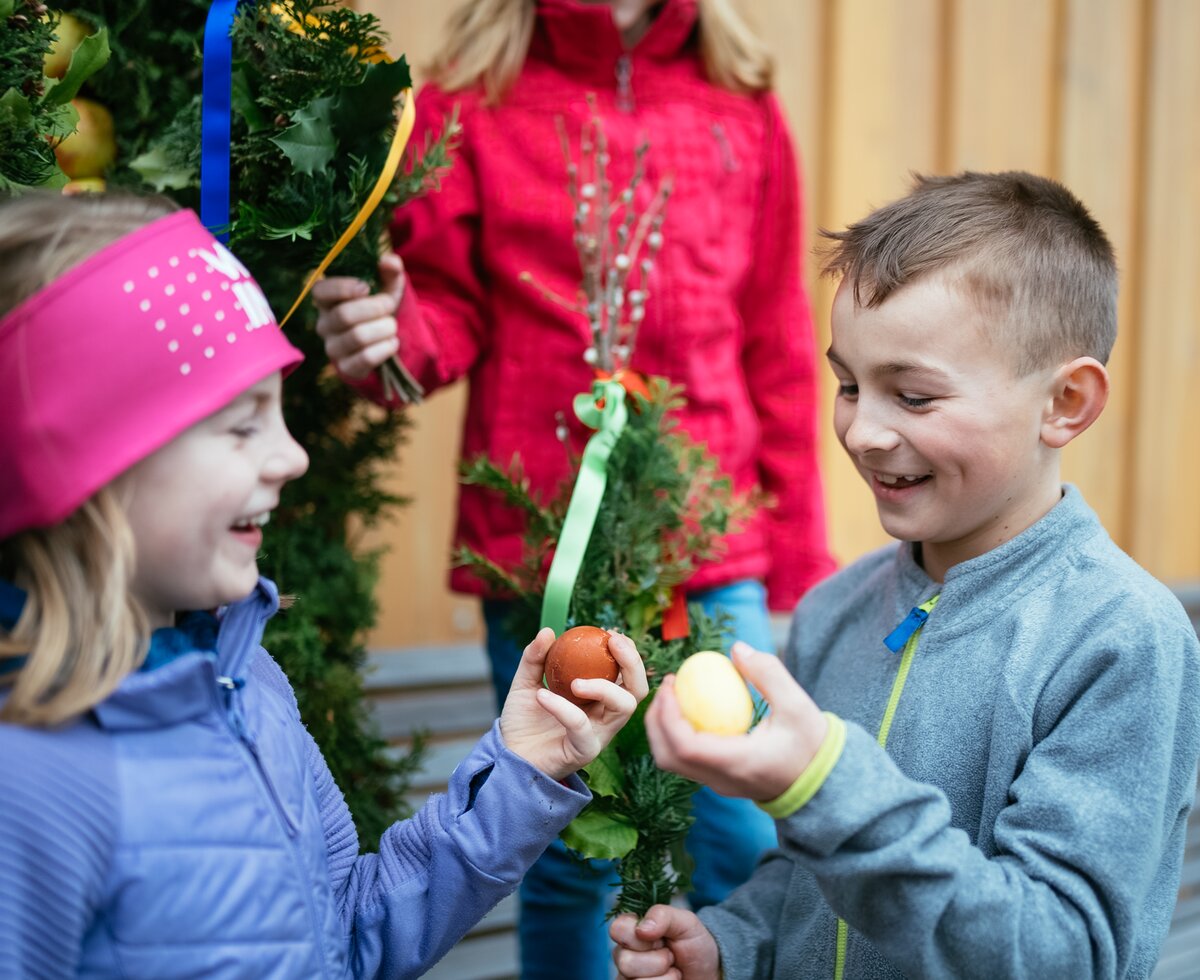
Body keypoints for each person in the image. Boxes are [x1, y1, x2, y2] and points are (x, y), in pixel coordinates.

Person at [0, 192, 648, 980]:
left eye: (278, 416)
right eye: (241, 425)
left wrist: (521, 768)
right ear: (85, 467)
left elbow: (345, 936)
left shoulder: (246, 683)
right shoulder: (27, 788)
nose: (291, 456)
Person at [312, 0, 835, 973]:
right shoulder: (474, 100)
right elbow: (442, 309)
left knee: (746, 836)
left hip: (712, 545)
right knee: (563, 850)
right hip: (539, 544)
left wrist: (797, 548)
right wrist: (388, 339)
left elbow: (772, 335)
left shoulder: (740, 101)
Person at [609, 170, 1200, 979]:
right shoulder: (834, 613)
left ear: (1064, 402)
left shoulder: (1121, 639)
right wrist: (735, 946)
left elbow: (1064, 952)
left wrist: (825, 783)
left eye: (914, 397)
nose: (864, 432)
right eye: (849, 385)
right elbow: (808, 875)